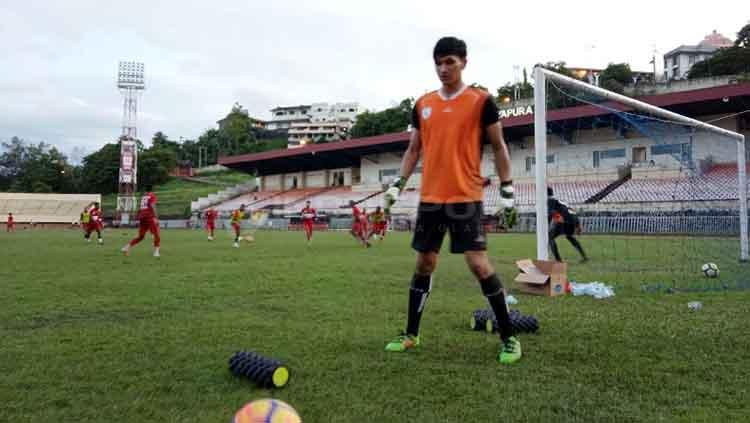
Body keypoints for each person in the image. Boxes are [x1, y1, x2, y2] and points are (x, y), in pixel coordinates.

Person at [383, 36, 520, 364]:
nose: (443, 69)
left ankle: (510, 338)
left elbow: (499, 146)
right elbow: (414, 149)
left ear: (464, 62)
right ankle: (412, 334)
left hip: (465, 197)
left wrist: (508, 189)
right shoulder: (423, 104)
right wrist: (396, 185)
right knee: (424, 263)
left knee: (478, 264)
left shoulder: (481, 101)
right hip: (431, 198)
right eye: (439, 63)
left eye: (450, 62)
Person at [548, 187, 588, 263]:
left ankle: (558, 260)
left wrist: (557, 218)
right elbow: (571, 211)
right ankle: (584, 256)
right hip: (573, 221)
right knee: (569, 236)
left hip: (564, 220)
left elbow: (551, 211)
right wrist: (578, 225)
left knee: (549, 238)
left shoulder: (549, 200)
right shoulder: (561, 201)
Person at [122, 188, 160, 257]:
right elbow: (152, 205)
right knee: (156, 234)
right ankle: (156, 252)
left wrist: (137, 216)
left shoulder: (143, 197)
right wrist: (156, 217)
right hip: (149, 217)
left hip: (142, 217)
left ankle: (126, 247)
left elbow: (140, 208)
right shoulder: (152, 195)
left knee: (141, 236)